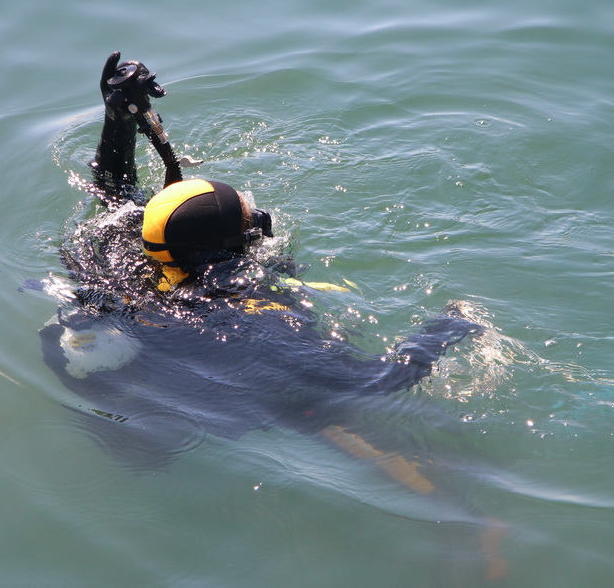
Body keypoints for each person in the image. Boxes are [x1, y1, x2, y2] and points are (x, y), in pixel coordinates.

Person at [37, 52, 507, 579]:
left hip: (155, 381)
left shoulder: (127, 255)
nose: (257, 217)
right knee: (325, 416)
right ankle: (473, 527)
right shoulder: (249, 315)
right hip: (239, 393)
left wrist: (118, 117)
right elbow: (374, 381)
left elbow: (113, 189)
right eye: (246, 216)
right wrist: (448, 328)